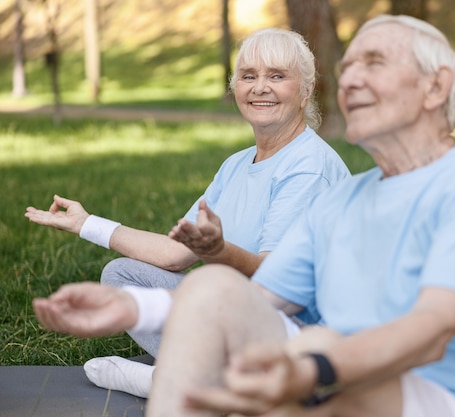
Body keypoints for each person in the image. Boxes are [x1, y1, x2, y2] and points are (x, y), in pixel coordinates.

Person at [33, 14, 455, 417]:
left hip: (446, 396)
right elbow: (258, 294)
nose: (353, 78)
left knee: (288, 377)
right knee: (218, 295)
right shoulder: (351, 196)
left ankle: (189, 381)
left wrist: (311, 369)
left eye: (375, 63)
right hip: (351, 373)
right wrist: (134, 310)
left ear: (435, 89)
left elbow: (431, 328)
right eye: (351, 67)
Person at [25, 28, 350, 399]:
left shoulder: (308, 166)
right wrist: (87, 224)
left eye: (277, 76)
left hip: (297, 333)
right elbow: (174, 253)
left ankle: (178, 380)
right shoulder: (237, 165)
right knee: (122, 274)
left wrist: (218, 252)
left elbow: (276, 283)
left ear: (306, 90)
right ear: (236, 88)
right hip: (235, 315)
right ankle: (203, 377)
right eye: (248, 76)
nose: (260, 87)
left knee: (217, 297)